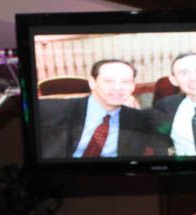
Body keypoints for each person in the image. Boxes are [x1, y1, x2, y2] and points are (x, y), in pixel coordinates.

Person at [39, 59, 168, 159]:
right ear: (92, 83)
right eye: (108, 81)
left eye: (125, 82)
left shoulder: (141, 119)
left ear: (133, 86)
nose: (117, 88)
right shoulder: (51, 109)